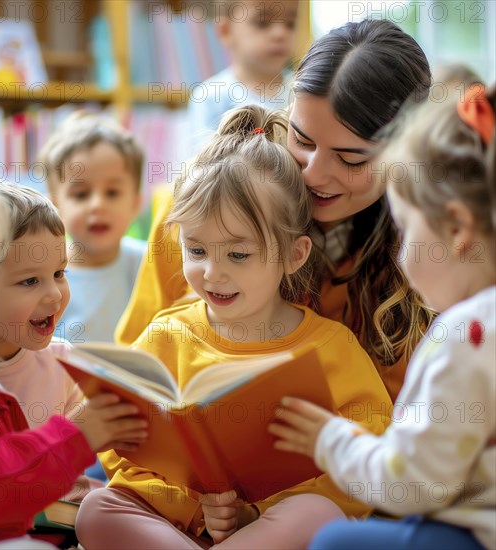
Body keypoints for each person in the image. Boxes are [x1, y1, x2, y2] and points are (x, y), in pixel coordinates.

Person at [75, 105, 393, 550]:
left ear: (294, 255)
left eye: (238, 255)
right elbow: (118, 446)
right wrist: (190, 504)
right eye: (196, 250)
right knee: (99, 509)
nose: (212, 273)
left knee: (316, 513)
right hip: (173, 525)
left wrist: (256, 514)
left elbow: (368, 458)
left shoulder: (330, 347)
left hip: (273, 529)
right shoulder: (166, 334)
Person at [116, 19, 435, 403]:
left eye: (350, 159)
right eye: (301, 139)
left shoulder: (424, 255)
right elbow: (126, 375)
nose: (313, 174)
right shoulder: (191, 209)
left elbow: (403, 429)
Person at [270, 84, 496, 550]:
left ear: (456, 230)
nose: (402, 252)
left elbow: (410, 485)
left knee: (334, 542)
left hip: (467, 536)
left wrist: (331, 440)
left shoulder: (466, 335)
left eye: (407, 229)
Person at [0, 171, 147, 549]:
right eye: (29, 281)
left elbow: (100, 466)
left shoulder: (64, 364)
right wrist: (80, 434)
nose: (55, 295)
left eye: (59, 273)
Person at [40, 111, 146, 344]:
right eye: (81, 194)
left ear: (135, 203)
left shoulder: (149, 263)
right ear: (55, 206)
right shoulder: (40, 274)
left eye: (112, 193)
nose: (97, 205)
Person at [186, 0, 298, 156]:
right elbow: (200, 166)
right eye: (262, 23)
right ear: (225, 31)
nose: (280, 33)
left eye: (290, 24)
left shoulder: (303, 90)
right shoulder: (210, 95)